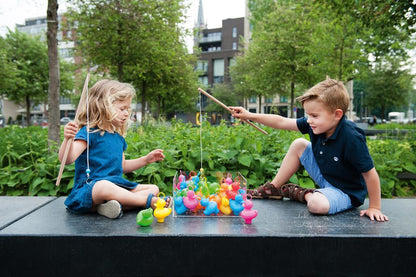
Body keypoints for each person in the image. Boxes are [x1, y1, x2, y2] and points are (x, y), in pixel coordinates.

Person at [230, 77, 388, 222]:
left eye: (314, 116)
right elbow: (282, 122)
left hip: (345, 191)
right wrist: (249, 115)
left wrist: (374, 207)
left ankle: (301, 193)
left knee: (316, 205)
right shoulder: (315, 124)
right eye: (308, 115)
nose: (309, 120)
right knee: (299, 144)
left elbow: (370, 174)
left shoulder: (352, 137)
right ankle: (273, 188)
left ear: (337, 114)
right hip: (327, 176)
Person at [59, 79, 169, 219]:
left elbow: (122, 166)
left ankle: (106, 207)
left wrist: (145, 160)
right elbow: (66, 159)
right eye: (122, 108)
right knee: (103, 186)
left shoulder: (118, 138)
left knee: (153, 188)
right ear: (104, 106)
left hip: (115, 187)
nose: (126, 113)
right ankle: (145, 202)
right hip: (90, 189)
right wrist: (67, 139)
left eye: (128, 109)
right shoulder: (89, 133)